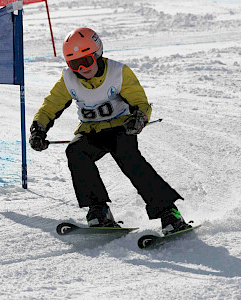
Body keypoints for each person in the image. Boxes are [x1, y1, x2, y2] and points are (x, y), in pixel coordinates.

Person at [29, 27, 191, 235]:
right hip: (91, 130)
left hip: (120, 127)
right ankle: (99, 210)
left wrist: (139, 119)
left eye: (86, 61)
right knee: (76, 152)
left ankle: (168, 212)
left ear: (97, 53)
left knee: (128, 156)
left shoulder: (118, 73)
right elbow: (50, 106)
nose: (82, 68)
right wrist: (38, 129)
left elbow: (141, 103)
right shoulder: (69, 79)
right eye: (75, 64)